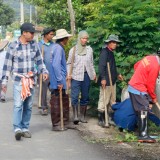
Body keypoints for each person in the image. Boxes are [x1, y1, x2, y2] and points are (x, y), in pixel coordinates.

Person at [1, 22, 48, 140]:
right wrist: (4, 82)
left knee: (29, 105)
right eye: (31, 33)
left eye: (33, 33)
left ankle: (25, 128)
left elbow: (39, 61)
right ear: (24, 33)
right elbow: (7, 66)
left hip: (31, 80)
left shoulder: (34, 45)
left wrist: (44, 71)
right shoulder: (13, 46)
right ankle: (17, 128)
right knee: (18, 105)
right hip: (18, 80)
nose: (33, 35)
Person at [128, 51, 160, 143]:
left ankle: (141, 131)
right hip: (138, 88)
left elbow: (136, 66)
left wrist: (141, 76)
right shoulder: (155, 66)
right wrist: (153, 98)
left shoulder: (150, 58)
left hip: (133, 86)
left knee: (141, 110)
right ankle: (143, 135)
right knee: (143, 109)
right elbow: (150, 85)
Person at [67, 30, 96, 124]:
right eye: (83, 38)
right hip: (75, 75)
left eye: (86, 38)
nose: (85, 40)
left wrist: (94, 74)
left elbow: (91, 63)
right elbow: (69, 63)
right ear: (79, 39)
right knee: (74, 96)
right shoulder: (73, 50)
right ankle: (75, 116)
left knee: (85, 96)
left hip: (86, 75)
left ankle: (82, 116)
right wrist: (69, 75)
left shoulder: (89, 50)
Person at [97, 34, 123, 128]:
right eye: (113, 42)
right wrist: (103, 78)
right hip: (106, 81)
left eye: (116, 42)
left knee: (112, 100)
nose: (115, 44)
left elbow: (112, 67)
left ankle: (110, 118)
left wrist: (117, 74)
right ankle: (101, 119)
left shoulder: (111, 52)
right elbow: (101, 66)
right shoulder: (104, 52)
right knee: (104, 100)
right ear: (109, 43)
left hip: (113, 80)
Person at [49, 29, 72, 130]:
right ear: (64, 39)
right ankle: (57, 123)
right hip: (58, 79)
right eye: (67, 38)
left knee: (63, 100)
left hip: (59, 78)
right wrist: (59, 81)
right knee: (57, 101)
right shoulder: (58, 48)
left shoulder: (55, 47)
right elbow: (56, 65)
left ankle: (64, 122)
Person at [38, 27, 55, 115]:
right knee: (43, 90)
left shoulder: (53, 45)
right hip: (43, 72)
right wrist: (39, 71)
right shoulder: (39, 45)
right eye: (51, 34)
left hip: (52, 71)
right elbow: (36, 60)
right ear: (45, 35)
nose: (52, 36)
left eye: (53, 34)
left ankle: (53, 106)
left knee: (53, 89)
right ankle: (44, 107)